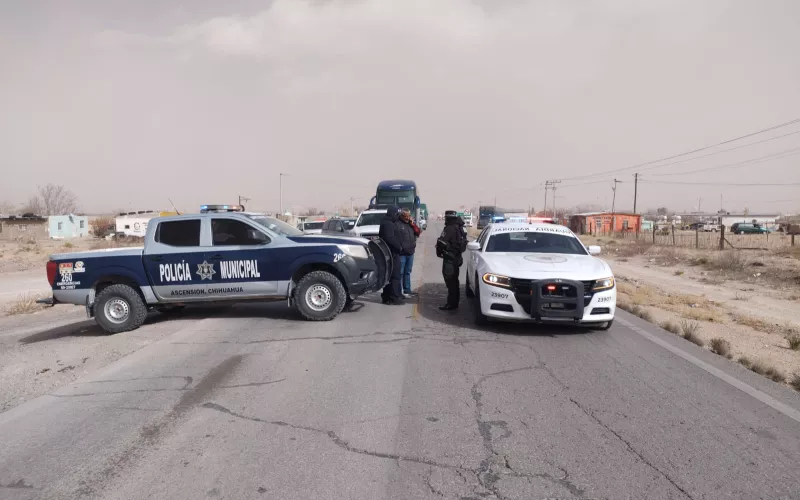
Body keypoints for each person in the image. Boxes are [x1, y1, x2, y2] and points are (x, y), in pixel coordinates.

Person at [435, 210, 467, 310]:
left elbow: (441, 242)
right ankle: (454, 302)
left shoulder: (450, 228)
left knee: (450, 280)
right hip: (458, 257)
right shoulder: (461, 227)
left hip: (450, 257)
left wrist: (439, 250)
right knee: (455, 280)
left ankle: (451, 304)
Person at [379, 206, 404, 305]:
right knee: (395, 276)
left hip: (391, 253)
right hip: (392, 253)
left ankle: (388, 296)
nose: (398, 216)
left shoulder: (388, 223)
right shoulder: (388, 224)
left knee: (390, 276)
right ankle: (394, 297)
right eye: (397, 214)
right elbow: (390, 239)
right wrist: (399, 247)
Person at [398, 208, 420, 297]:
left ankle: (407, 290)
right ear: (402, 216)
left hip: (410, 252)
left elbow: (418, 233)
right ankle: (399, 291)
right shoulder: (398, 224)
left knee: (407, 272)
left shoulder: (411, 224)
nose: (407, 218)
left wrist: (413, 224)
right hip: (402, 253)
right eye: (406, 216)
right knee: (400, 272)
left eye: (409, 216)